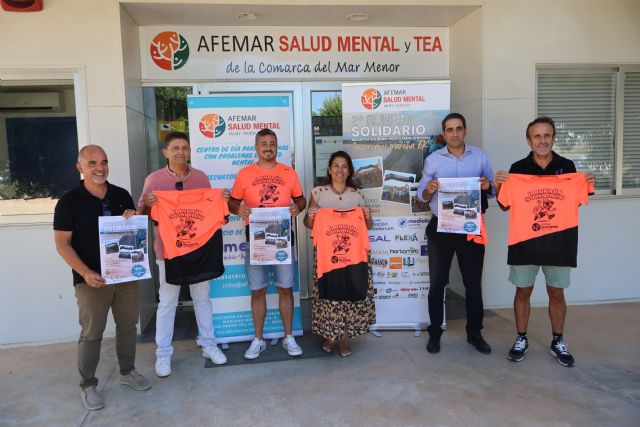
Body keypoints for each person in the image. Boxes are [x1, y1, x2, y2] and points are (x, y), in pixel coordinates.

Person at [54, 145, 150, 411]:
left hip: (125, 275)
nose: (100, 168)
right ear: (80, 167)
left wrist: (134, 218)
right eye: (92, 163)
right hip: (91, 280)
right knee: (92, 333)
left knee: (128, 326)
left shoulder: (121, 195)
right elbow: (62, 243)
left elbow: (134, 234)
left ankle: (127, 371)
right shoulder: (69, 202)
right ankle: (88, 384)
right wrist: (85, 272)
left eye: (104, 162)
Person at [494, 116, 596, 367]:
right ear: (529, 140)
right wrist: (499, 187)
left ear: (553, 138)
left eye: (546, 135)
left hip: (559, 241)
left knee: (556, 292)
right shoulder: (517, 169)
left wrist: (585, 184)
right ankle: (521, 338)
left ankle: (558, 340)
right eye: (537, 136)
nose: (542, 140)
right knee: (522, 291)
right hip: (523, 241)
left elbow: (575, 202)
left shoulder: (568, 167)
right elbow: (505, 206)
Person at [138, 131, 227, 378]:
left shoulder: (201, 177)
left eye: (185, 148)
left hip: (200, 249)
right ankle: (163, 353)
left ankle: (208, 344)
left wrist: (222, 199)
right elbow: (141, 214)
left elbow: (211, 210)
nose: (181, 152)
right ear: (165, 152)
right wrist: (148, 204)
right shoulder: (154, 180)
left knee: (202, 298)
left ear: (189, 151)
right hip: (168, 251)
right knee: (168, 302)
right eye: (175, 148)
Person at [417, 113, 495, 355]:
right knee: (437, 283)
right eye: (450, 129)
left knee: (473, 284)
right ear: (444, 134)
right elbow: (421, 195)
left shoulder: (480, 156)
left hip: (470, 229)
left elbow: (493, 188)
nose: (455, 133)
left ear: (465, 130)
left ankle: (475, 334)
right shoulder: (433, 160)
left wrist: (488, 185)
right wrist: (428, 190)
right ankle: (435, 334)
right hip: (441, 228)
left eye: (459, 128)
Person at [229, 128, 306, 360]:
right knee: (258, 290)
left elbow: (301, 199)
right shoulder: (245, 174)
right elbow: (232, 202)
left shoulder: (289, 172)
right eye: (264, 144)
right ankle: (258, 339)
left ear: (277, 146)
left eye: (272, 143)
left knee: (285, 288)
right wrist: (239, 209)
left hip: (283, 238)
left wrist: (297, 207)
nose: (268, 147)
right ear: (256, 147)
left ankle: (288, 336)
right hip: (257, 239)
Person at [303, 151, 375, 357]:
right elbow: (308, 224)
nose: (340, 170)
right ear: (329, 169)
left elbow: (367, 226)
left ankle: (344, 339)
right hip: (327, 257)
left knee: (350, 298)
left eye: (344, 166)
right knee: (329, 298)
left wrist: (367, 217)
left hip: (354, 258)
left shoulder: (357, 195)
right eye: (336, 165)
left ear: (349, 171)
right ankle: (330, 337)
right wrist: (310, 216)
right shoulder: (318, 193)